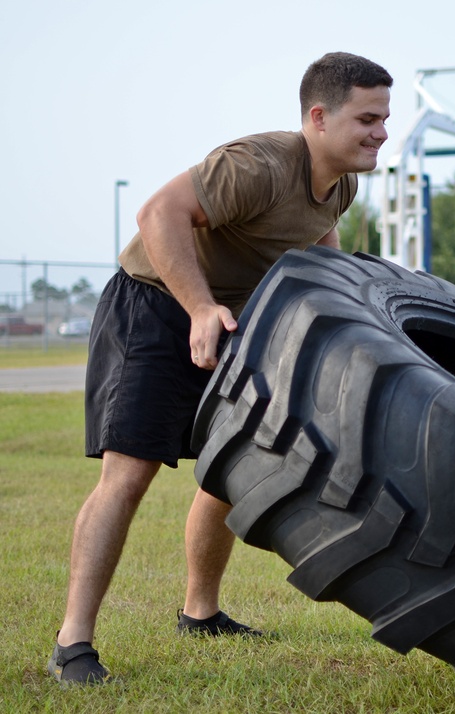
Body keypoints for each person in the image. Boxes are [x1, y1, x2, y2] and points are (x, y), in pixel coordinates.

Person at [47, 52, 393, 685]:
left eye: (384, 119)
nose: (381, 133)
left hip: (229, 320)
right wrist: (200, 307)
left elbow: (319, 255)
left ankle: (199, 613)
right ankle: (73, 643)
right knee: (128, 476)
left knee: (230, 465)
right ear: (319, 117)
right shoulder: (258, 164)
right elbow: (157, 213)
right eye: (367, 119)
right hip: (155, 305)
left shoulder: (340, 184)